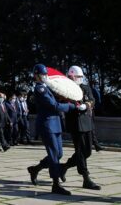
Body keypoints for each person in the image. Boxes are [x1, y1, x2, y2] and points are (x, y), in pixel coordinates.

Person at [27, 64, 76, 196]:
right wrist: (70, 106)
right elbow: (53, 105)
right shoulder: (39, 89)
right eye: (42, 75)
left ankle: (35, 169)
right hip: (47, 125)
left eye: (45, 74)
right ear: (36, 76)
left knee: (59, 154)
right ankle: (55, 184)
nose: (44, 76)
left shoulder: (47, 88)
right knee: (54, 154)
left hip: (55, 124)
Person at [59, 66, 102, 190]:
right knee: (80, 152)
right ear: (71, 76)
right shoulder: (66, 89)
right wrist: (73, 105)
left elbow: (92, 100)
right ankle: (86, 178)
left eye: (81, 76)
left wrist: (86, 105)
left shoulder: (85, 87)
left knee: (87, 152)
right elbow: (62, 102)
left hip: (86, 122)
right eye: (77, 76)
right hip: (75, 123)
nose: (80, 79)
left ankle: (64, 167)